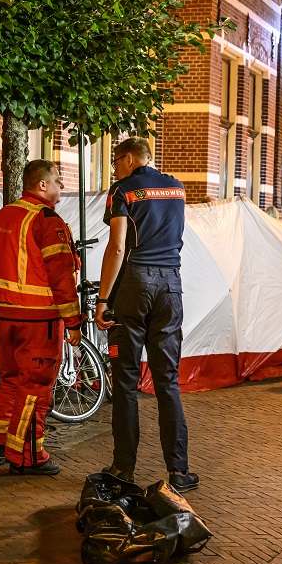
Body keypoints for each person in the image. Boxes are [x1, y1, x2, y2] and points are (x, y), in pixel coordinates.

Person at [95, 137, 199, 494]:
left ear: (128, 159)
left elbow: (118, 246)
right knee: (167, 380)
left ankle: (123, 468)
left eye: (114, 161)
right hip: (172, 283)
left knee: (125, 381)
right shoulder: (177, 188)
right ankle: (180, 472)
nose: (114, 168)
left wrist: (102, 299)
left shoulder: (122, 190)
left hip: (134, 284)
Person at [0, 159, 81, 475]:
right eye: (58, 181)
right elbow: (61, 275)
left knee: (9, 382)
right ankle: (27, 457)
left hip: (6, 316)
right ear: (42, 186)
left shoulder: (3, 216)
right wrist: (74, 322)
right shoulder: (47, 221)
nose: (62, 186)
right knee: (35, 388)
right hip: (41, 321)